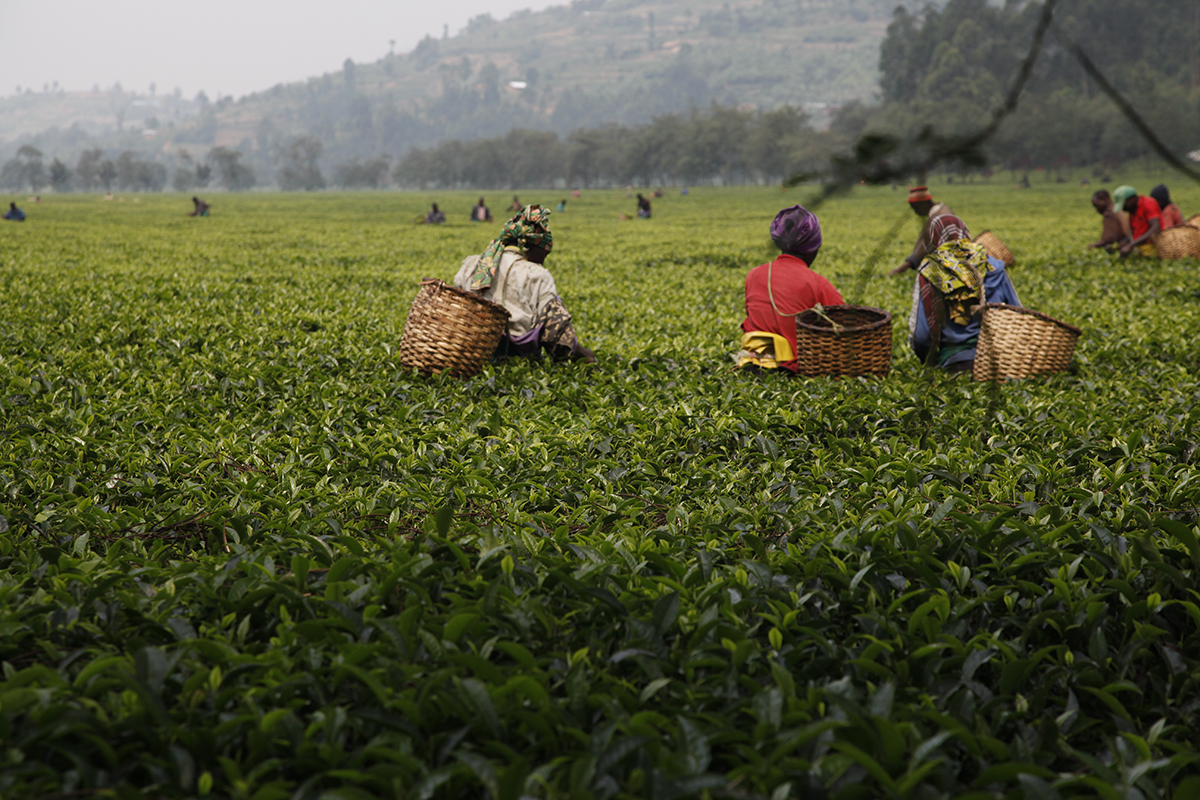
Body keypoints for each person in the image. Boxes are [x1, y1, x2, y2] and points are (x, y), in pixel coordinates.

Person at [454, 205, 595, 363]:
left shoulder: (473, 264)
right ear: (530, 246)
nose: (543, 260)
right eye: (543, 253)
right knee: (554, 305)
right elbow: (555, 329)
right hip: (516, 359)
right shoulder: (537, 274)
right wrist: (582, 355)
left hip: (470, 353)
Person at [736, 205, 843, 374]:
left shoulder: (753, 275)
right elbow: (844, 325)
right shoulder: (818, 283)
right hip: (794, 368)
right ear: (814, 247)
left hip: (754, 364)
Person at [890, 186, 969, 276]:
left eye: (916, 207)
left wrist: (899, 270)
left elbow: (922, 249)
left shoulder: (936, 219)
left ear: (924, 203)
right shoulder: (944, 208)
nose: (915, 212)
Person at [1113, 185, 1161, 257]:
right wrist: (1121, 245)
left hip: (1155, 249)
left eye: (1124, 205)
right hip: (1142, 250)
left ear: (1131, 199)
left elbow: (1156, 227)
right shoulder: (1132, 212)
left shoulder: (1147, 203)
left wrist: (1131, 245)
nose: (1123, 209)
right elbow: (1136, 235)